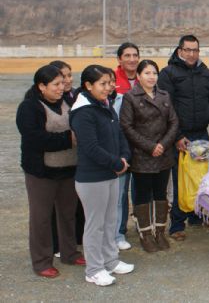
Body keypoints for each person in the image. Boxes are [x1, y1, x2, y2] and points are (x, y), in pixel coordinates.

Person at [16, 65, 85, 278]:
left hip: (68, 171)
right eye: (56, 84)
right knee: (41, 218)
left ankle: (70, 253)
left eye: (63, 83)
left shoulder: (69, 102)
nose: (61, 87)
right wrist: (68, 139)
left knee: (68, 214)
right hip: (41, 173)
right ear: (41, 86)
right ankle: (42, 261)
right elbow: (34, 138)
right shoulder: (30, 107)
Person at [70, 65, 134, 286]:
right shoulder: (82, 111)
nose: (109, 88)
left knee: (110, 220)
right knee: (95, 224)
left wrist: (124, 156)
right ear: (88, 85)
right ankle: (94, 269)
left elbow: (119, 134)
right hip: (92, 177)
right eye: (103, 84)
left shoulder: (105, 105)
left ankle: (110, 260)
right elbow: (90, 146)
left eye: (110, 83)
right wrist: (116, 163)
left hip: (111, 173)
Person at [158, 34, 209, 241]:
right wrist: (177, 135)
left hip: (201, 133)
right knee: (181, 179)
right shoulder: (168, 73)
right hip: (180, 136)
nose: (191, 54)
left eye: (195, 50)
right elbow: (166, 107)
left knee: (201, 178)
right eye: (187, 50)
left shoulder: (205, 73)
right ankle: (177, 223)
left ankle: (197, 215)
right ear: (179, 51)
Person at [119, 60, 179, 253]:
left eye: (154, 73)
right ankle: (145, 233)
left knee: (161, 193)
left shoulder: (164, 95)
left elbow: (173, 122)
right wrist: (150, 146)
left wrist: (162, 144)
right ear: (138, 76)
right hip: (142, 155)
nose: (151, 76)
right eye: (147, 73)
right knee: (143, 195)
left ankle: (160, 232)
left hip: (163, 153)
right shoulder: (130, 97)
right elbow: (126, 126)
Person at [48, 60, 84, 254]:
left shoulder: (75, 96)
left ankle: (75, 240)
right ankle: (56, 244)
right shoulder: (49, 101)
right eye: (63, 77)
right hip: (55, 163)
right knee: (56, 207)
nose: (68, 80)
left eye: (70, 75)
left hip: (76, 161)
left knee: (74, 204)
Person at [112, 43, 140, 251]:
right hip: (120, 147)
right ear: (120, 59)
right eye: (127, 55)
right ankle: (118, 232)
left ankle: (142, 225)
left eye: (135, 55)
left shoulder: (145, 78)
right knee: (120, 192)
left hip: (142, 147)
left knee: (140, 190)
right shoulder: (112, 81)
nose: (131, 59)